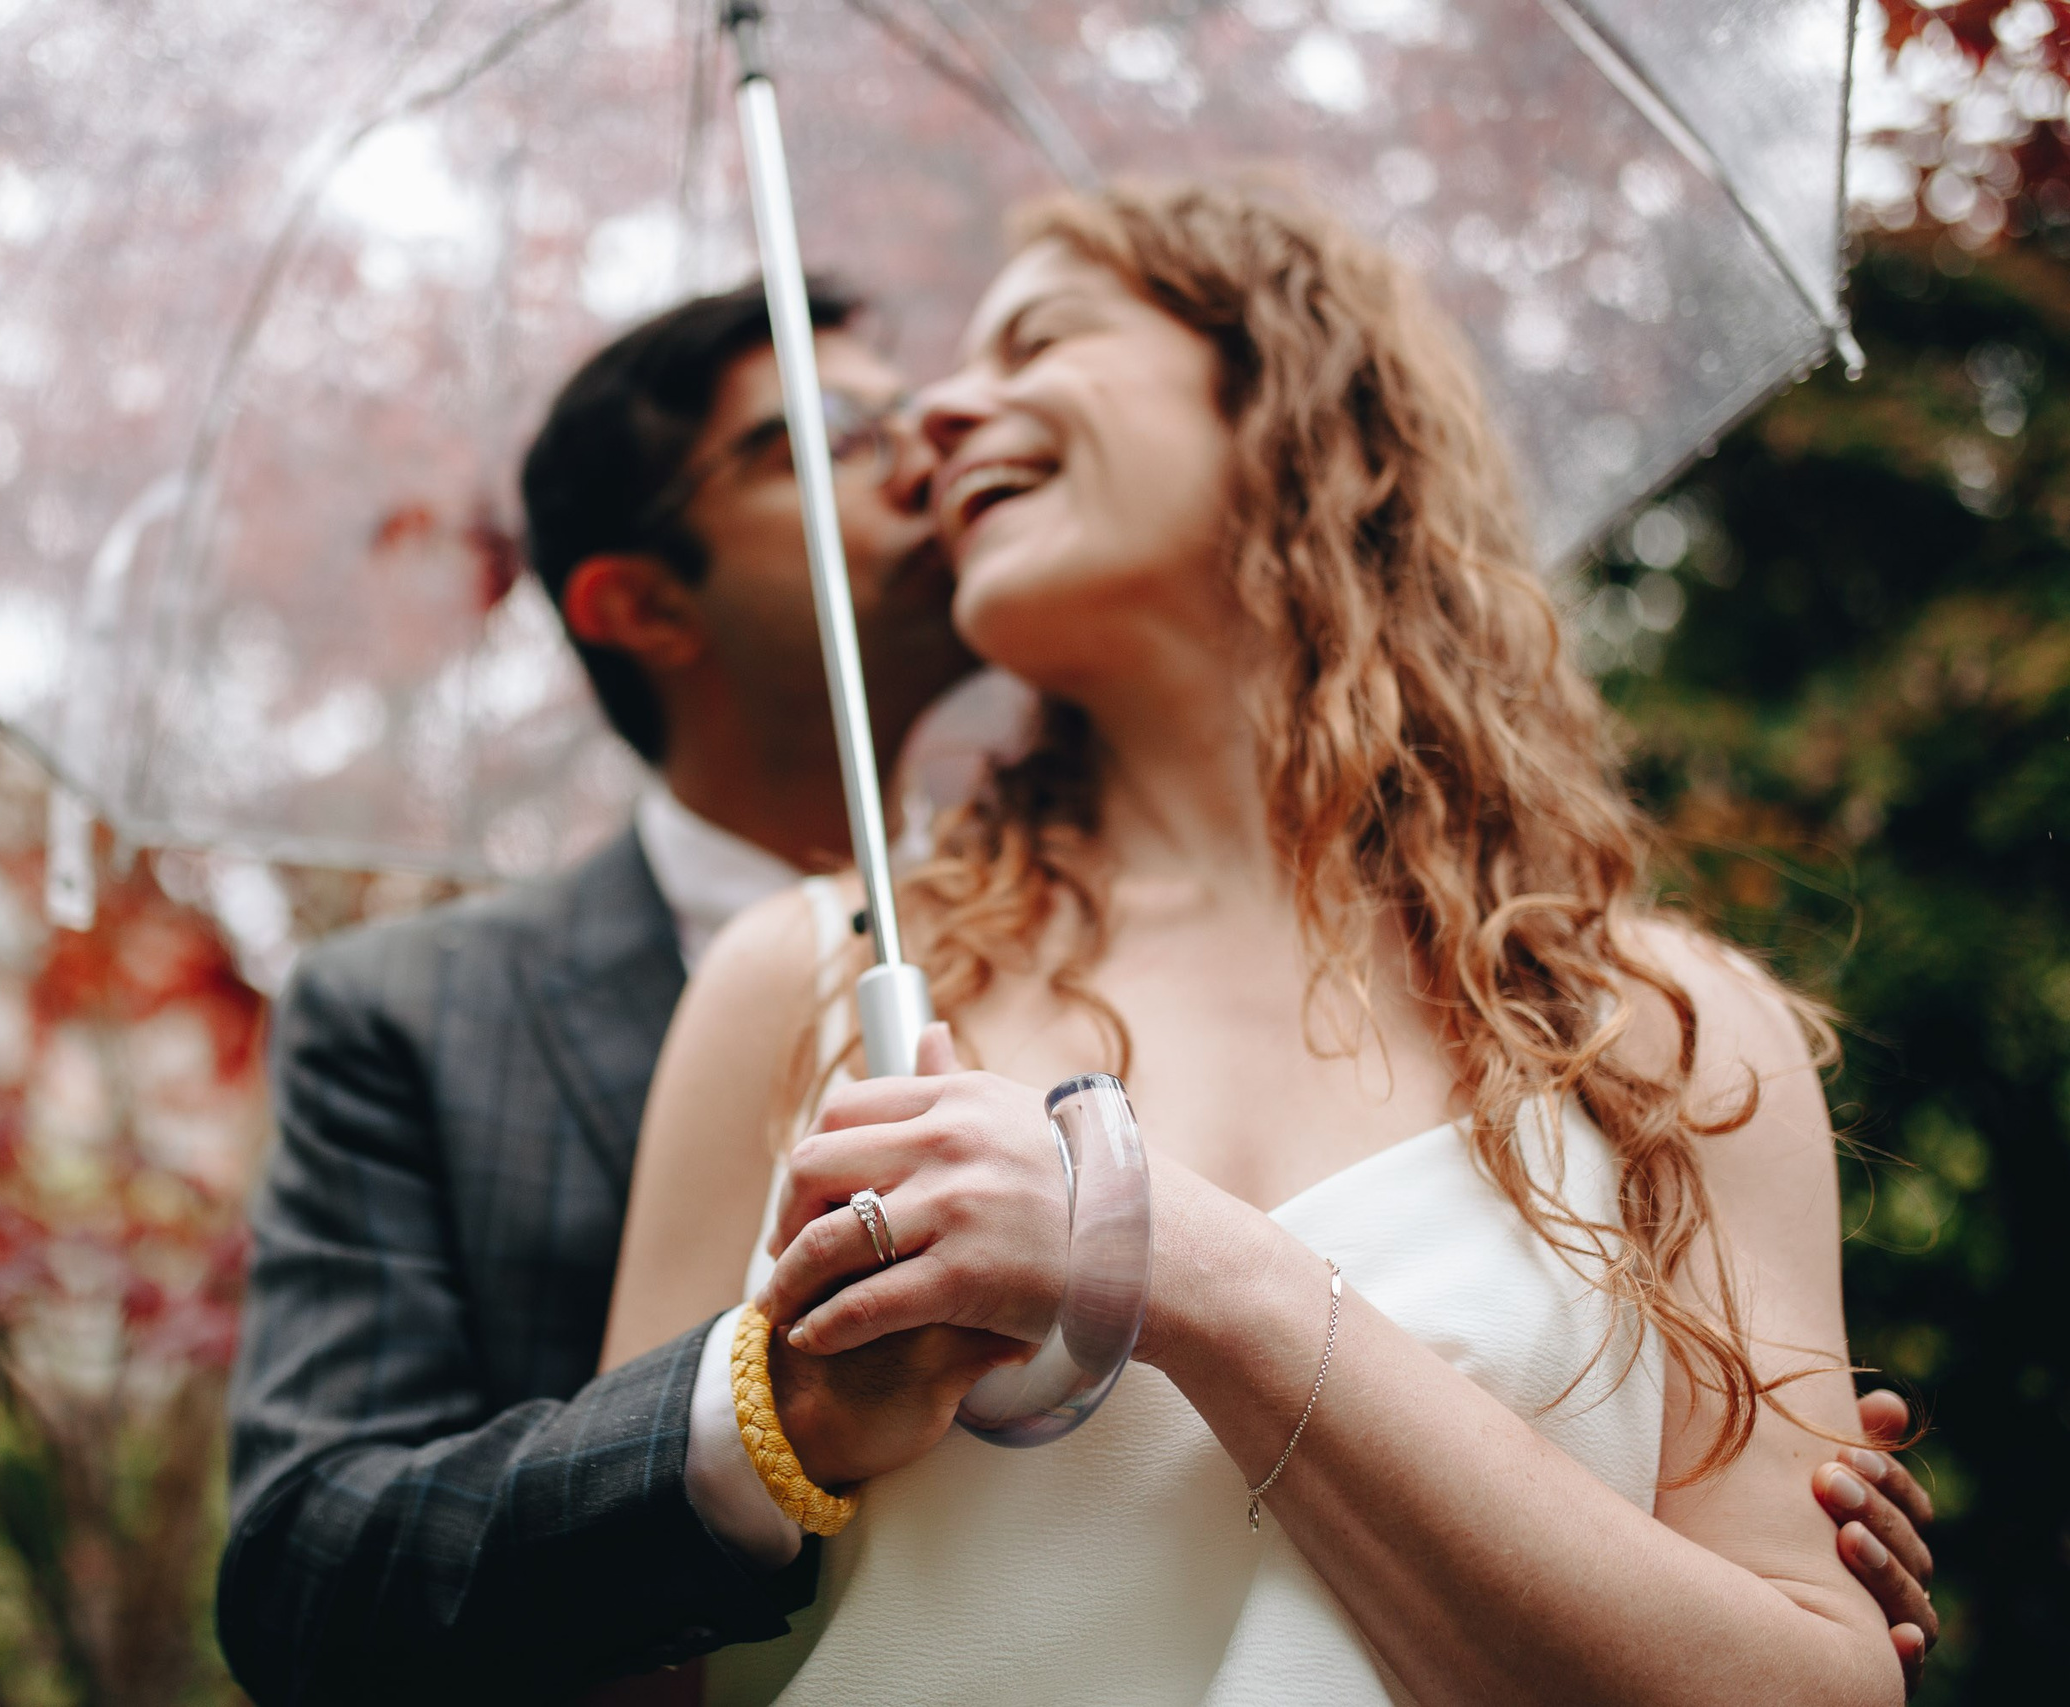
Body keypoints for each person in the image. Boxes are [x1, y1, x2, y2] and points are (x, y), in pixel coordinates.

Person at [602, 182, 1942, 1706]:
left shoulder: (1657, 1029)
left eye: (1039, 340)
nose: (939, 420)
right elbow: (598, 1639)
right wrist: (790, 1418)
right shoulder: (803, 980)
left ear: (1323, 416)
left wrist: (1187, 1271)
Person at [216, 279, 978, 1703]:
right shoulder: (409, 1017)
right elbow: (307, 1572)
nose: (928, 462)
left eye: (917, 417)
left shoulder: (1135, 921)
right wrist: (770, 1421)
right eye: (831, 436)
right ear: (642, 603)